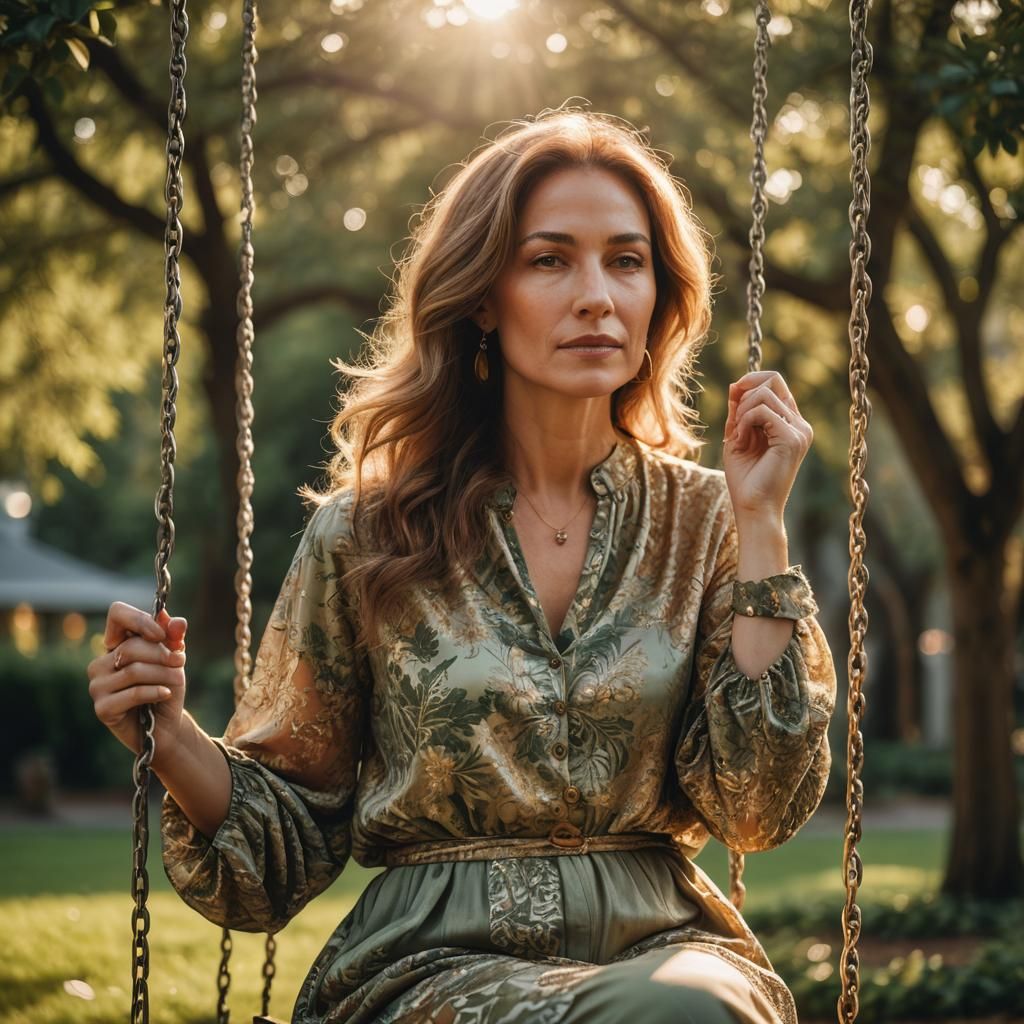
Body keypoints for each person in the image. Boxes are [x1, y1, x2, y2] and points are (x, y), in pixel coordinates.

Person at [88, 108, 836, 1024]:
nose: (596, 295)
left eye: (626, 261)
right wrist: (168, 734)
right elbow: (282, 837)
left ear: (658, 295)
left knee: (692, 1008)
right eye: (549, 260)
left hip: (666, 943)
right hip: (436, 960)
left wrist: (760, 522)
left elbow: (756, 804)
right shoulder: (370, 532)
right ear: (484, 296)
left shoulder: (710, 519)